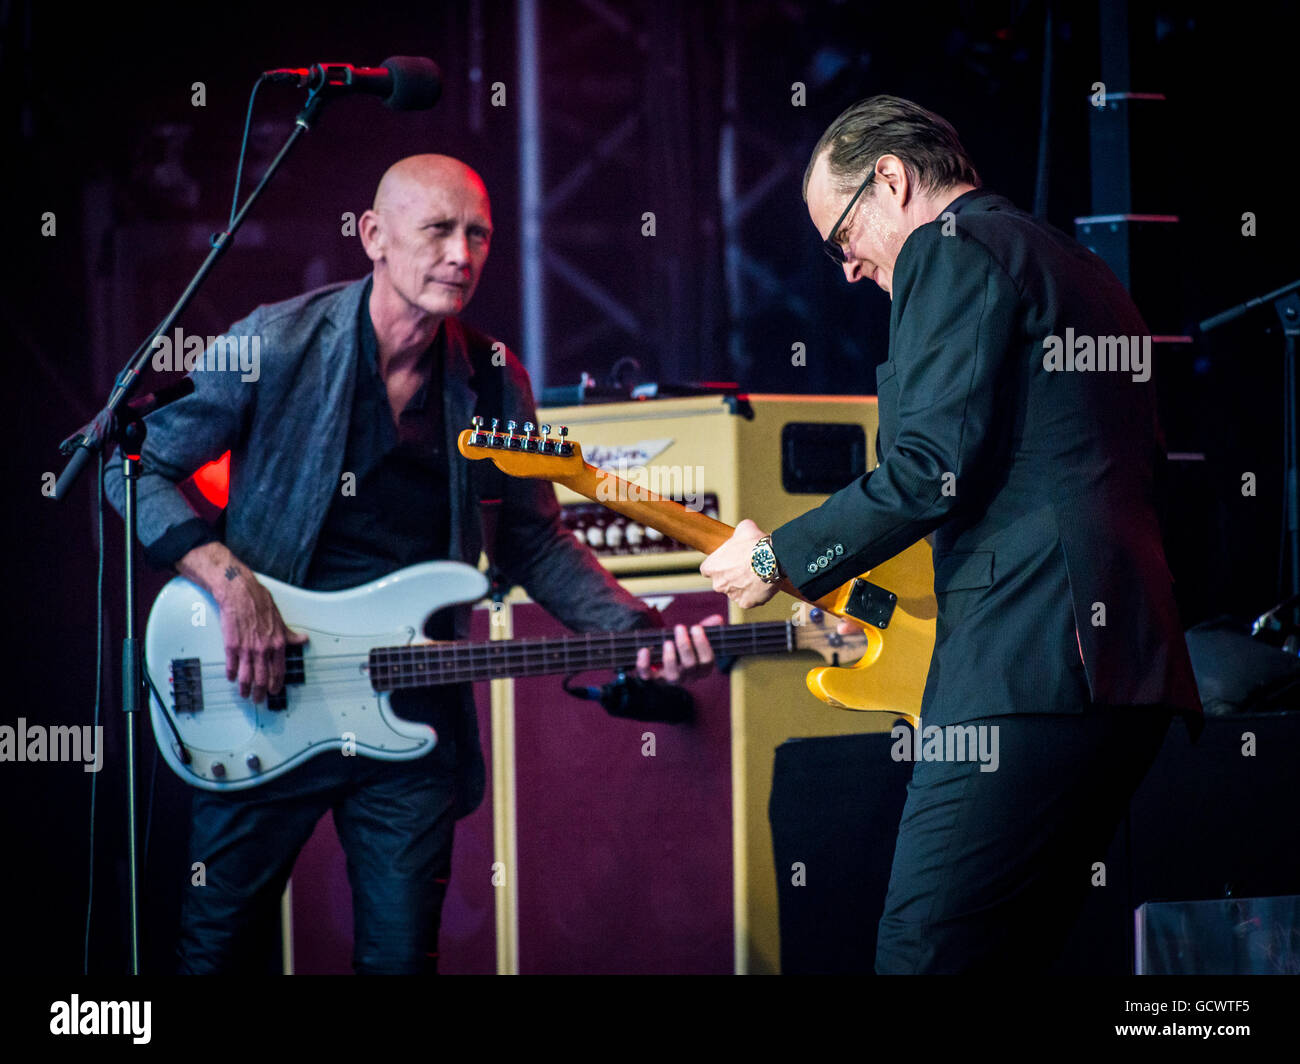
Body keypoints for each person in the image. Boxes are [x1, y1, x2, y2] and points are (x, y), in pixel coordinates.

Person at [105, 154, 720, 973]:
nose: (461, 254)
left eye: (478, 235)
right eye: (438, 230)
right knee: (214, 956)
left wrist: (638, 632)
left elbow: (534, 540)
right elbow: (130, 467)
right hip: (261, 696)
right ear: (374, 237)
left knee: (401, 963)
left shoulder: (495, 380)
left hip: (414, 713)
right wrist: (230, 582)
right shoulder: (276, 343)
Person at [701, 96, 1202, 973]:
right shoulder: (1075, 263)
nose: (847, 271)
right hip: (1129, 674)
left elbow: (928, 468)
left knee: (922, 951)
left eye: (841, 238)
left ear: (890, 181)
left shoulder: (950, 247)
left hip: (1029, 668)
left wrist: (777, 556)